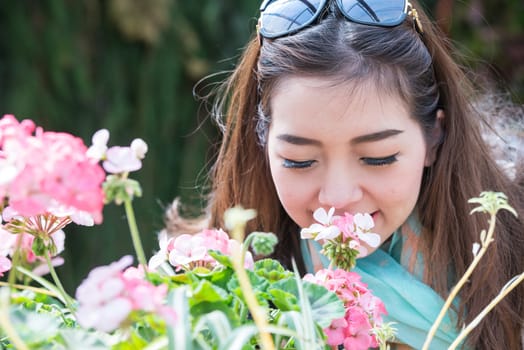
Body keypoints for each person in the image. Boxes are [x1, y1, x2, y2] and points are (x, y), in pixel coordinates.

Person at [168, 0, 524, 348]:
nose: (338, 198)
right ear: (263, 144)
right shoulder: (209, 282)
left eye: (377, 158)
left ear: (433, 137)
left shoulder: (513, 262)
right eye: (300, 160)